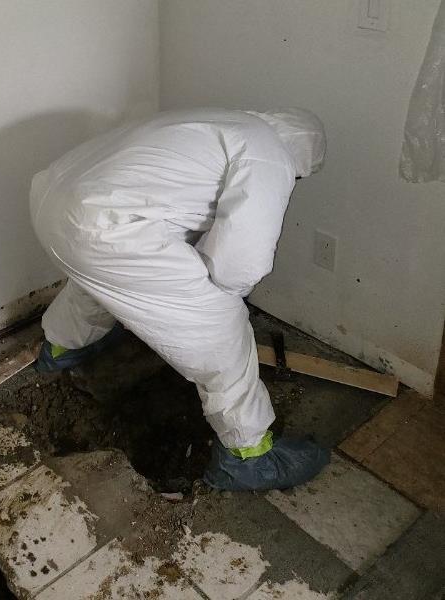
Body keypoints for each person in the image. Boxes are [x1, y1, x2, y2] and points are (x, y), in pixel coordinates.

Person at [29, 107, 329, 491]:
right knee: (222, 326)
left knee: (101, 280)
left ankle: (61, 350)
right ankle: (248, 455)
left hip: (51, 200)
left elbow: (175, 204)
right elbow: (240, 265)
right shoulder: (269, 153)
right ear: (300, 155)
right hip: (104, 226)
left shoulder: (221, 123)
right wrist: (209, 302)